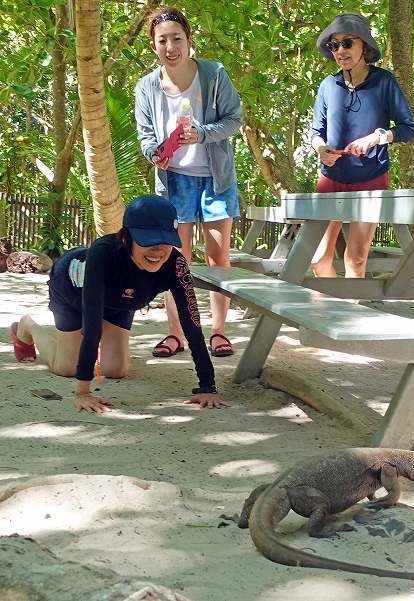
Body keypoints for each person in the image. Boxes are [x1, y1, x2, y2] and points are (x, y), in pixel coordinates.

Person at [9, 195, 228, 413]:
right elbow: (92, 325)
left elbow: (191, 323)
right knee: (67, 367)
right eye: (147, 241)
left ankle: (89, 345)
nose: (158, 250)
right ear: (127, 237)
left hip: (121, 302)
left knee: (115, 370)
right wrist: (83, 392)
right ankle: (28, 326)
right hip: (72, 288)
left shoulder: (176, 264)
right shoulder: (102, 253)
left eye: (165, 241)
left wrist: (207, 386)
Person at [134, 6, 242, 358]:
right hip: (173, 182)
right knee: (174, 259)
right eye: (162, 40)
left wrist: (202, 133)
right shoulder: (146, 87)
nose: (171, 46)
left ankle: (220, 332)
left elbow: (234, 119)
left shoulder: (214, 74)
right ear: (153, 46)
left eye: (176, 38)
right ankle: (175, 333)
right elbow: (146, 137)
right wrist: (155, 154)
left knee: (217, 256)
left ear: (189, 40)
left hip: (215, 178)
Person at [309, 12, 414, 278]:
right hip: (330, 178)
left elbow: (408, 129)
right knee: (317, 258)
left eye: (347, 43)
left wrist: (377, 137)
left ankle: (348, 314)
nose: (340, 50)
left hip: (371, 177)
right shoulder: (327, 85)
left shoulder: (384, 82)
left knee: (355, 259)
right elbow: (316, 133)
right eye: (334, 45)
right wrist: (321, 149)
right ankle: (334, 313)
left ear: (364, 46)